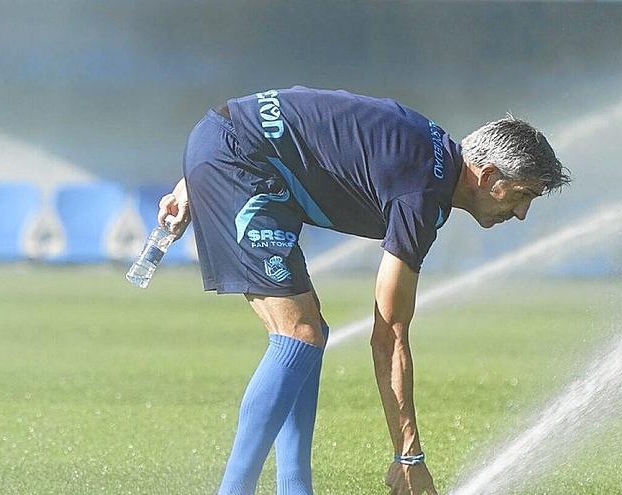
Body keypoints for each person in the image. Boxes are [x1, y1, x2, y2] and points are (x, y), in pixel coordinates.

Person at [157, 86, 569, 495]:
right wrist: (408, 456)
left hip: (232, 147)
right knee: (298, 334)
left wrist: (192, 177)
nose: (521, 213)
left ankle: (295, 489)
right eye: (521, 195)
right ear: (489, 174)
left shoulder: (430, 151)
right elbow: (388, 336)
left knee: (309, 331)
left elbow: (293, 114)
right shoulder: (421, 194)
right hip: (239, 161)